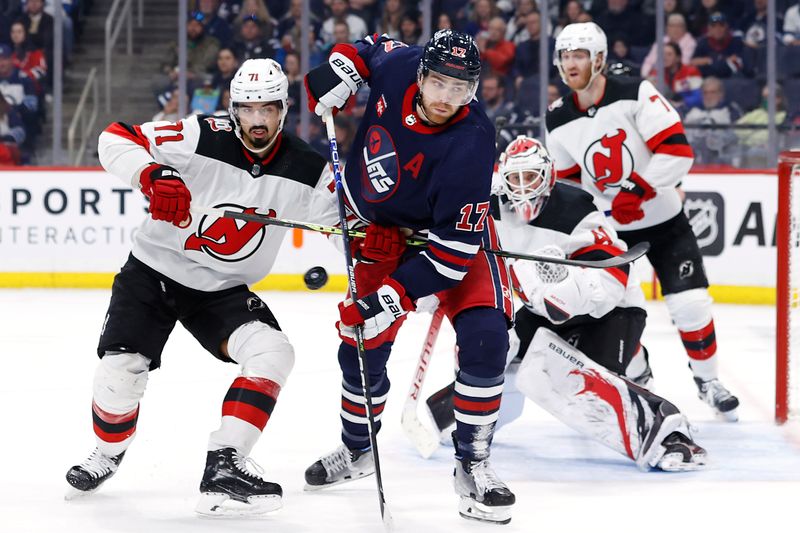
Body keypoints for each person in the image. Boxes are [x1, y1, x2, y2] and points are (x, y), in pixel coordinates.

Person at [64, 58, 338, 516]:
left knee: (274, 352)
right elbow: (115, 136)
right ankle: (108, 452)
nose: (257, 121)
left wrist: (378, 253)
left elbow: (348, 230)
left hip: (222, 290)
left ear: (283, 110)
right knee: (119, 375)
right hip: (153, 270)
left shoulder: (310, 168)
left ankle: (225, 465)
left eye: (267, 109)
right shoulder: (198, 135)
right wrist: (151, 174)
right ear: (233, 107)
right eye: (248, 109)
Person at [303, 29, 515, 524]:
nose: (445, 98)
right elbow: (374, 41)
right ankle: (357, 450)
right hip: (379, 232)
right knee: (358, 348)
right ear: (421, 73)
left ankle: (473, 463)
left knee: (487, 341)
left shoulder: (473, 142)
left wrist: (391, 298)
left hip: (451, 244)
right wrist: (338, 67)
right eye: (439, 83)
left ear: (474, 90)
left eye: (460, 89)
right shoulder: (400, 66)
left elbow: (452, 254)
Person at [424, 136, 708, 472]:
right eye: (514, 178)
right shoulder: (489, 204)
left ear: (547, 176)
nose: (521, 187)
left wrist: (562, 292)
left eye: (530, 177)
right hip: (539, 309)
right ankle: (474, 422)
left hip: (609, 312)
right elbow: (451, 235)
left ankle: (668, 431)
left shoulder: (576, 209)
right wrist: (435, 278)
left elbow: (613, 281)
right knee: (493, 348)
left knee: (572, 381)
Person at [544, 22, 740, 420]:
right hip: (610, 233)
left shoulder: (635, 92)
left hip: (664, 221)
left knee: (691, 304)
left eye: (579, 54)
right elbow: (566, 187)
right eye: (565, 55)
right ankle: (639, 379)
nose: (571, 63)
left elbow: (678, 151)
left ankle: (708, 380)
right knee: (612, 313)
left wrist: (638, 189)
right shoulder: (559, 118)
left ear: (598, 59)